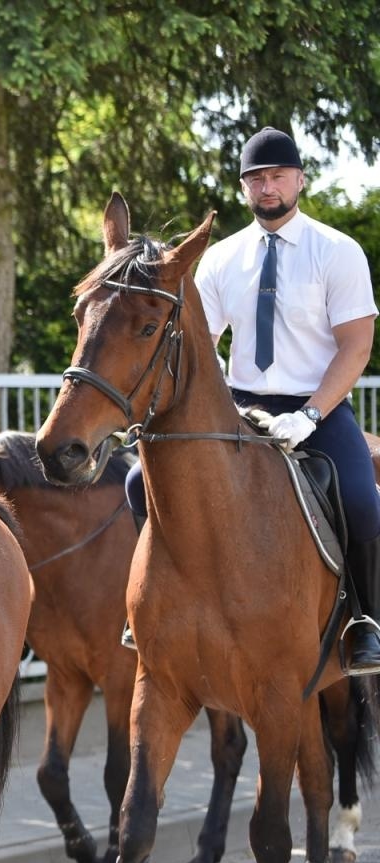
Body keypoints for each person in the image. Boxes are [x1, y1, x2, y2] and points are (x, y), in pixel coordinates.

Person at [122, 127, 380, 673]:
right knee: (134, 482)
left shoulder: (337, 251)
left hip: (319, 405)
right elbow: (200, 345)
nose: (267, 187)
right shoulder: (219, 260)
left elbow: (357, 347)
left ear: (300, 180)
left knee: (361, 498)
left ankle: (364, 620)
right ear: (244, 189)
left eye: (276, 176)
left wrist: (310, 415)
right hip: (240, 406)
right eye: (256, 179)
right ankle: (165, 601)